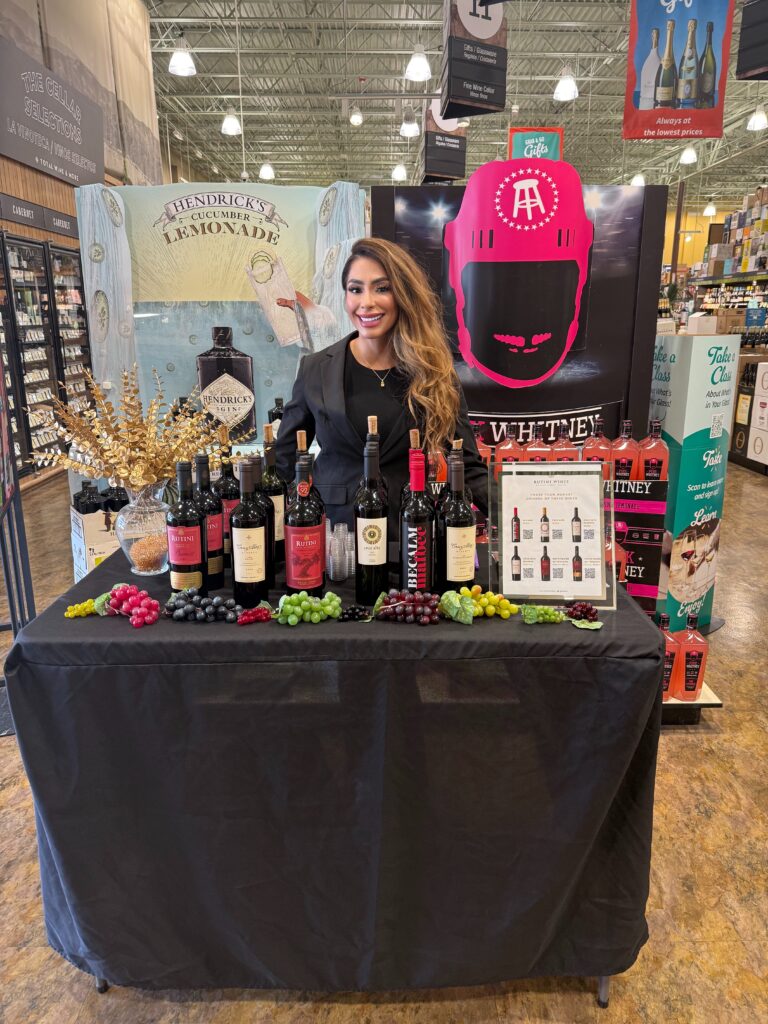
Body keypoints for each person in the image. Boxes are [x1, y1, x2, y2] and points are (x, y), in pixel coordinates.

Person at [275, 237, 489, 533]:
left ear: (404, 294)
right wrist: (292, 523)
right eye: (355, 289)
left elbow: (467, 465)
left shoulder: (434, 373)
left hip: (411, 536)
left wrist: (517, 513)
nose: (366, 302)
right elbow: (283, 463)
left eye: (382, 288)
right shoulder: (315, 369)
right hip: (336, 534)